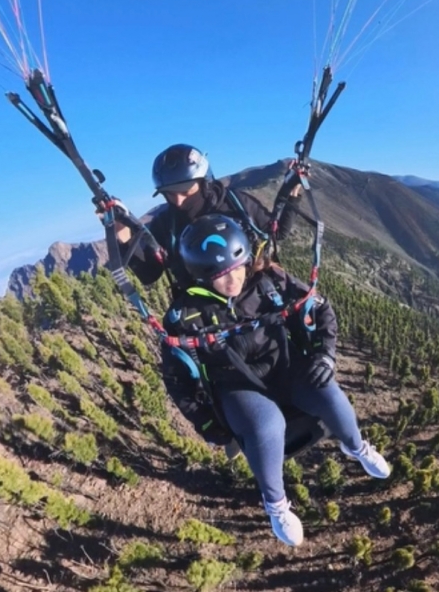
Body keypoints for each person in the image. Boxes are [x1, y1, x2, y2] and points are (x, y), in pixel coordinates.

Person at [160, 213, 390, 546]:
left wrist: (325, 354)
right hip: (236, 384)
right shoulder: (186, 316)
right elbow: (177, 377)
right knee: (265, 426)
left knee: (328, 393)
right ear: (202, 275)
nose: (234, 280)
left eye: (238, 269)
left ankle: (356, 446)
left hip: (284, 364)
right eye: (223, 275)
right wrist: (207, 424)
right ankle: (277, 506)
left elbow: (319, 308)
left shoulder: (269, 281)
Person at [116, 143, 301, 286]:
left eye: (186, 192)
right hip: (207, 319)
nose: (178, 201)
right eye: (170, 194)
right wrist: (124, 237)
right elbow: (149, 275)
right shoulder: (165, 224)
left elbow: (276, 232)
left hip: (259, 296)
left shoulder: (236, 204)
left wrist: (291, 194)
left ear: (204, 182)